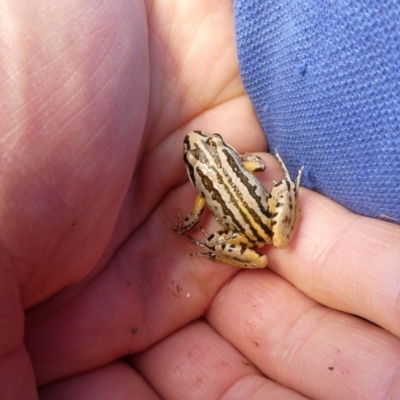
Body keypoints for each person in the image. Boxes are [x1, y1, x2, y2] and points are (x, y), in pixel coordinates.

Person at [1, 1, 399, 399]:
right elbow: (258, 166)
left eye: (206, 146)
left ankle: (238, 248)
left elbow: (197, 215)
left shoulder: (201, 192)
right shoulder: (237, 159)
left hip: (247, 234)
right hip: (264, 219)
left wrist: (193, 227)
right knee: (278, 207)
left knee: (232, 242)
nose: (198, 145)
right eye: (201, 150)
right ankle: (283, 203)